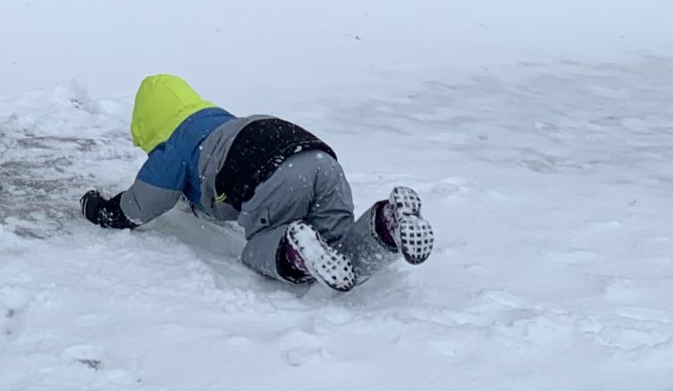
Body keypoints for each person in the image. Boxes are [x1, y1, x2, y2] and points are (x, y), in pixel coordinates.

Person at [80, 73, 433, 293]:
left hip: (274, 176)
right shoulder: (219, 123)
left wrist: (98, 208)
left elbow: (140, 206)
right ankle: (387, 225)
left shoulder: (174, 146)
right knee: (337, 242)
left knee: (257, 249)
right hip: (319, 158)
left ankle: (295, 252)